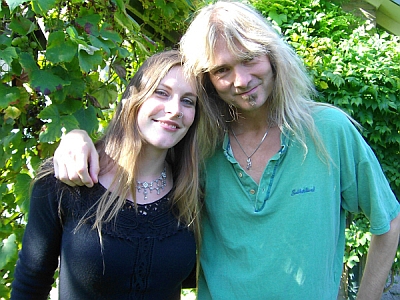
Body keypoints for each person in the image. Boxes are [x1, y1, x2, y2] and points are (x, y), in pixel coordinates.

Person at [51, 1, 400, 299]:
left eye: (249, 59)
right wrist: (77, 137)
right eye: (222, 70)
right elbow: (138, 150)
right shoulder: (198, 144)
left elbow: (389, 222)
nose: (241, 80)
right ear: (207, 80)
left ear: (273, 54)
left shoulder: (328, 131)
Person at [11, 50, 219, 300]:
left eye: (188, 101)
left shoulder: (193, 191)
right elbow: (31, 282)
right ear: (132, 98)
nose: (175, 110)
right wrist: (75, 135)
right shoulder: (69, 178)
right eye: (161, 93)